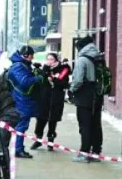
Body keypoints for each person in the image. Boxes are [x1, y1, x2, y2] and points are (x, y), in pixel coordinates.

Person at [69, 35, 105, 163]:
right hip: (98, 95)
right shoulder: (98, 57)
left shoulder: (82, 59)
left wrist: (71, 89)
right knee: (96, 123)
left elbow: (78, 80)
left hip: (84, 96)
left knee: (85, 125)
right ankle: (96, 151)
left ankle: (84, 153)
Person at [7, 45, 43, 159]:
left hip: (24, 100)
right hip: (21, 100)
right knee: (21, 125)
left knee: (22, 125)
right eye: (31, 56)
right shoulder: (18, 66)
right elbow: (24, 82)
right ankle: (18, 150)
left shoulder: (22, 65)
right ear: (26, 55)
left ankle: (19, 148)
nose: (32, 59)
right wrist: (38, 78)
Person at [32, 53, 71, 151]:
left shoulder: (63, 70)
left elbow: (64, 84)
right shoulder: (44, 70)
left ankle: (50, 141)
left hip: (56, 99)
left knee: (52, 121)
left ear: (57, 60)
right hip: (44, 99)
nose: (49, 61)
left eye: (52, 59)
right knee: (40, 120)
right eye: (48, 59)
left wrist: (53, 79)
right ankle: (38, 140)